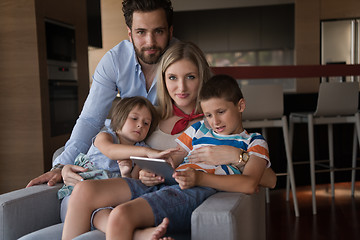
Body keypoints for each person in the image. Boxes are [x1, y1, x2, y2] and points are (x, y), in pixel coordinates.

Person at [61, 61, 276, 239]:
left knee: (120, 215)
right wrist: (150, 170)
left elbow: (249, 184)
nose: (215, 121)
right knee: (83, 190)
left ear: (240, 106)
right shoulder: (199, 129)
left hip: (194, 189)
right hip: (170, 180)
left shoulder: (253, 142)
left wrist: (201, 178)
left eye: (221, 112)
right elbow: (173, 158)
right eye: (209, 115)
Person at [26, 0, 175, 188]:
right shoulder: (114, 61)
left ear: (170, 31)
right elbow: (90, 119)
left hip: (162, 150)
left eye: (158, 31)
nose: (150, 42)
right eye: (141, 32)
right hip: (123, 147)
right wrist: (61, 165)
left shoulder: (185, 61)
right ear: (130, 34)